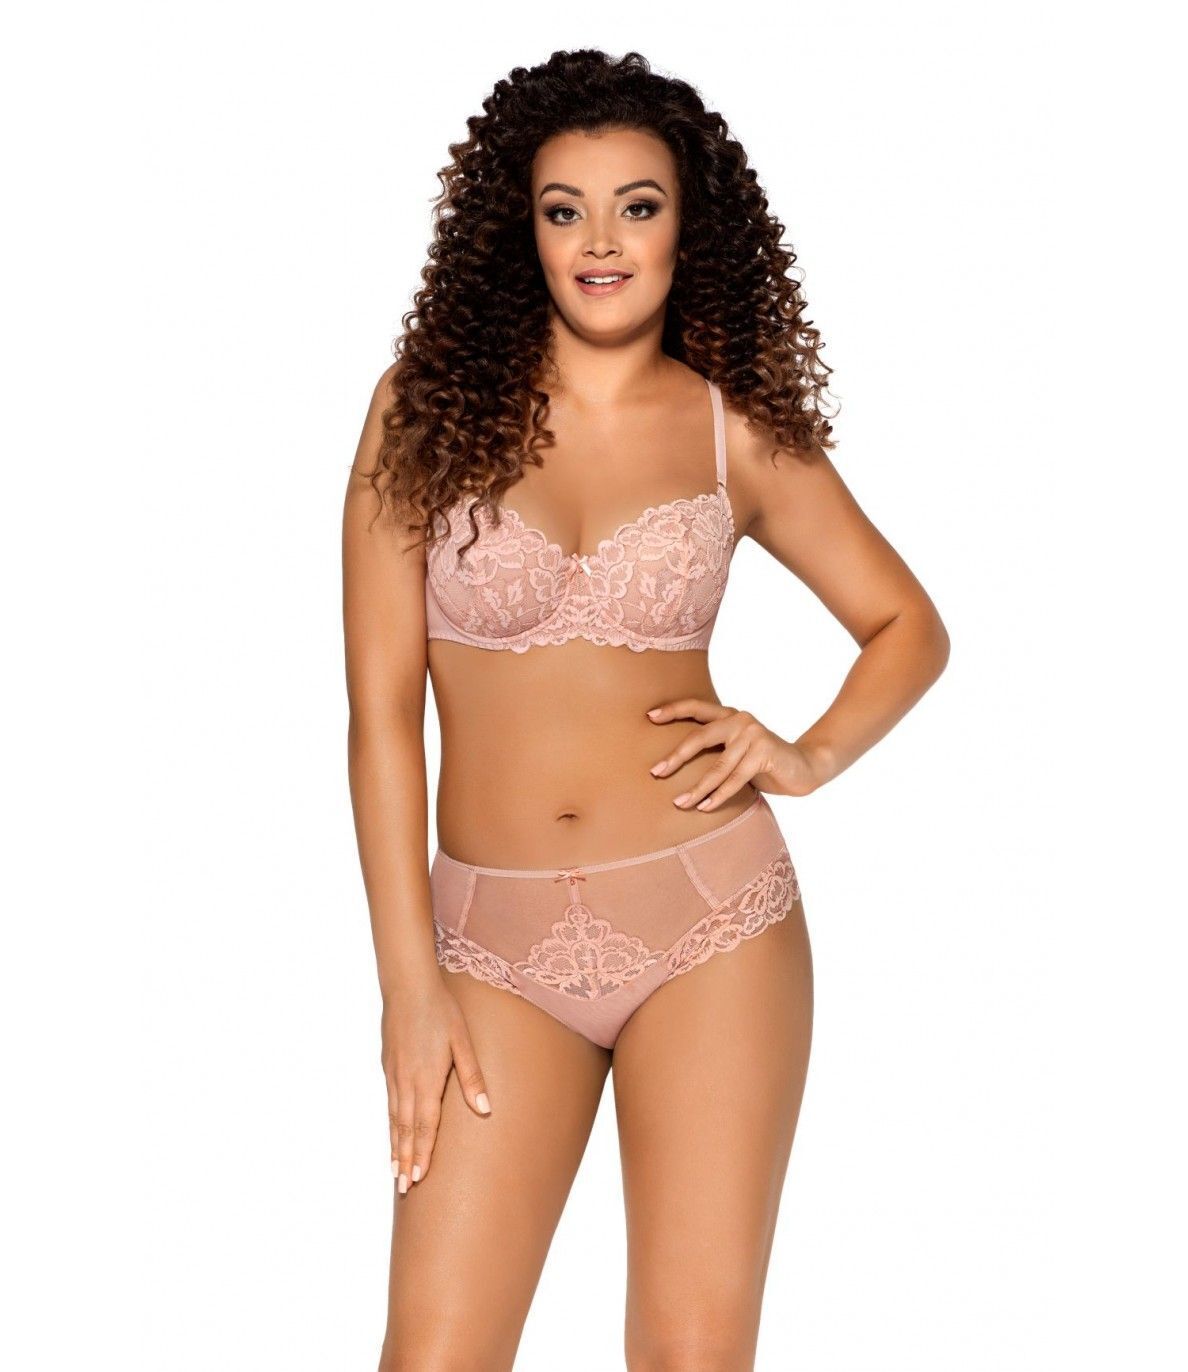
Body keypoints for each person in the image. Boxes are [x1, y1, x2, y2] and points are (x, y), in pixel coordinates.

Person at [342, 48, 950, 1372]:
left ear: (689, 225)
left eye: (638, 205)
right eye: (565, 209)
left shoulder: (734, 428)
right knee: (433, 1354)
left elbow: (908, 626)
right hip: (488, 950)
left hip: (710, 921)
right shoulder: (422, 411)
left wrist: (807, 752)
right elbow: (382, 716)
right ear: (521, 229)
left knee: (689, 1356)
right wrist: (407, 985)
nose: (601, 242)